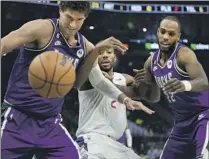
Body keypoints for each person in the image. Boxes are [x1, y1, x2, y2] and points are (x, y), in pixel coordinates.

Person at [1, 2, 144, 159]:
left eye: (79, 19)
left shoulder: (86, 47)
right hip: (17, 117)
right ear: (60, 10)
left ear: (85, 18)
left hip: (50, 123)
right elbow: (3, 46)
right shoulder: (42, 29)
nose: (73, 24)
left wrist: (124, 99)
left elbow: (97, 82)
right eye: (69, 17)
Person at [135, 16, 209, 159]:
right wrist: (122, 82)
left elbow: (203, 81)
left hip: (203, 116)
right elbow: (147, 93)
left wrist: (184, 85)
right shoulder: (151, 62)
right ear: (157, 32)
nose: (165, 37)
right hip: (181, 123)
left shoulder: (184, 54)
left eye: (171, 34)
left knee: (201, 156)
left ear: (178, 37)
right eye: (162, 32)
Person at [76, 47, 159, 159]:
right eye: (100, 53)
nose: (105, 55)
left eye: (109, 52)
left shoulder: (124, 79)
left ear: (114, 58)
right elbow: (103, 84)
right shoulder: (88, 77)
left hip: (115, 144)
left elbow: (152, 97)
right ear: (94, 58)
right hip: (93, 140)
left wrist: (152, 76)